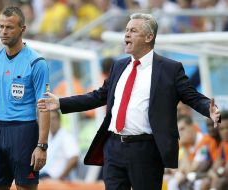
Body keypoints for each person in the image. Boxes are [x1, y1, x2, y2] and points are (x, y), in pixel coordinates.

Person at [37, 13, 221, 190]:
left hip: (146, 148)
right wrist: (61, 103)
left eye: (133, 30)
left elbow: (192, 96)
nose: (126, 34)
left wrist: (209, 109)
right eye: (126, 30)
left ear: (149, 37)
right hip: (113, 146)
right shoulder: (119, 66)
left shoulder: (169, 69)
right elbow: (99, 96)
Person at [0, 6, 50, 190]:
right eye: (1, 27)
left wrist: (42, 145)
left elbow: (44, 106)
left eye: (9, 27)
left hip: (24, 131)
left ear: (22, 29)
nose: (4, 32)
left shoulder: (36, 63)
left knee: (25, 187)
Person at [40, 110, 79, 180]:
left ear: (59, 119)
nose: (51, 122)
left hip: (55, 179)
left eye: (53, 118)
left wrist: (60, 178)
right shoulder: (48, 137)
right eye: (48, 119)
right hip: (43, 176)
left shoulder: (66, 136)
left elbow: (74, 159)